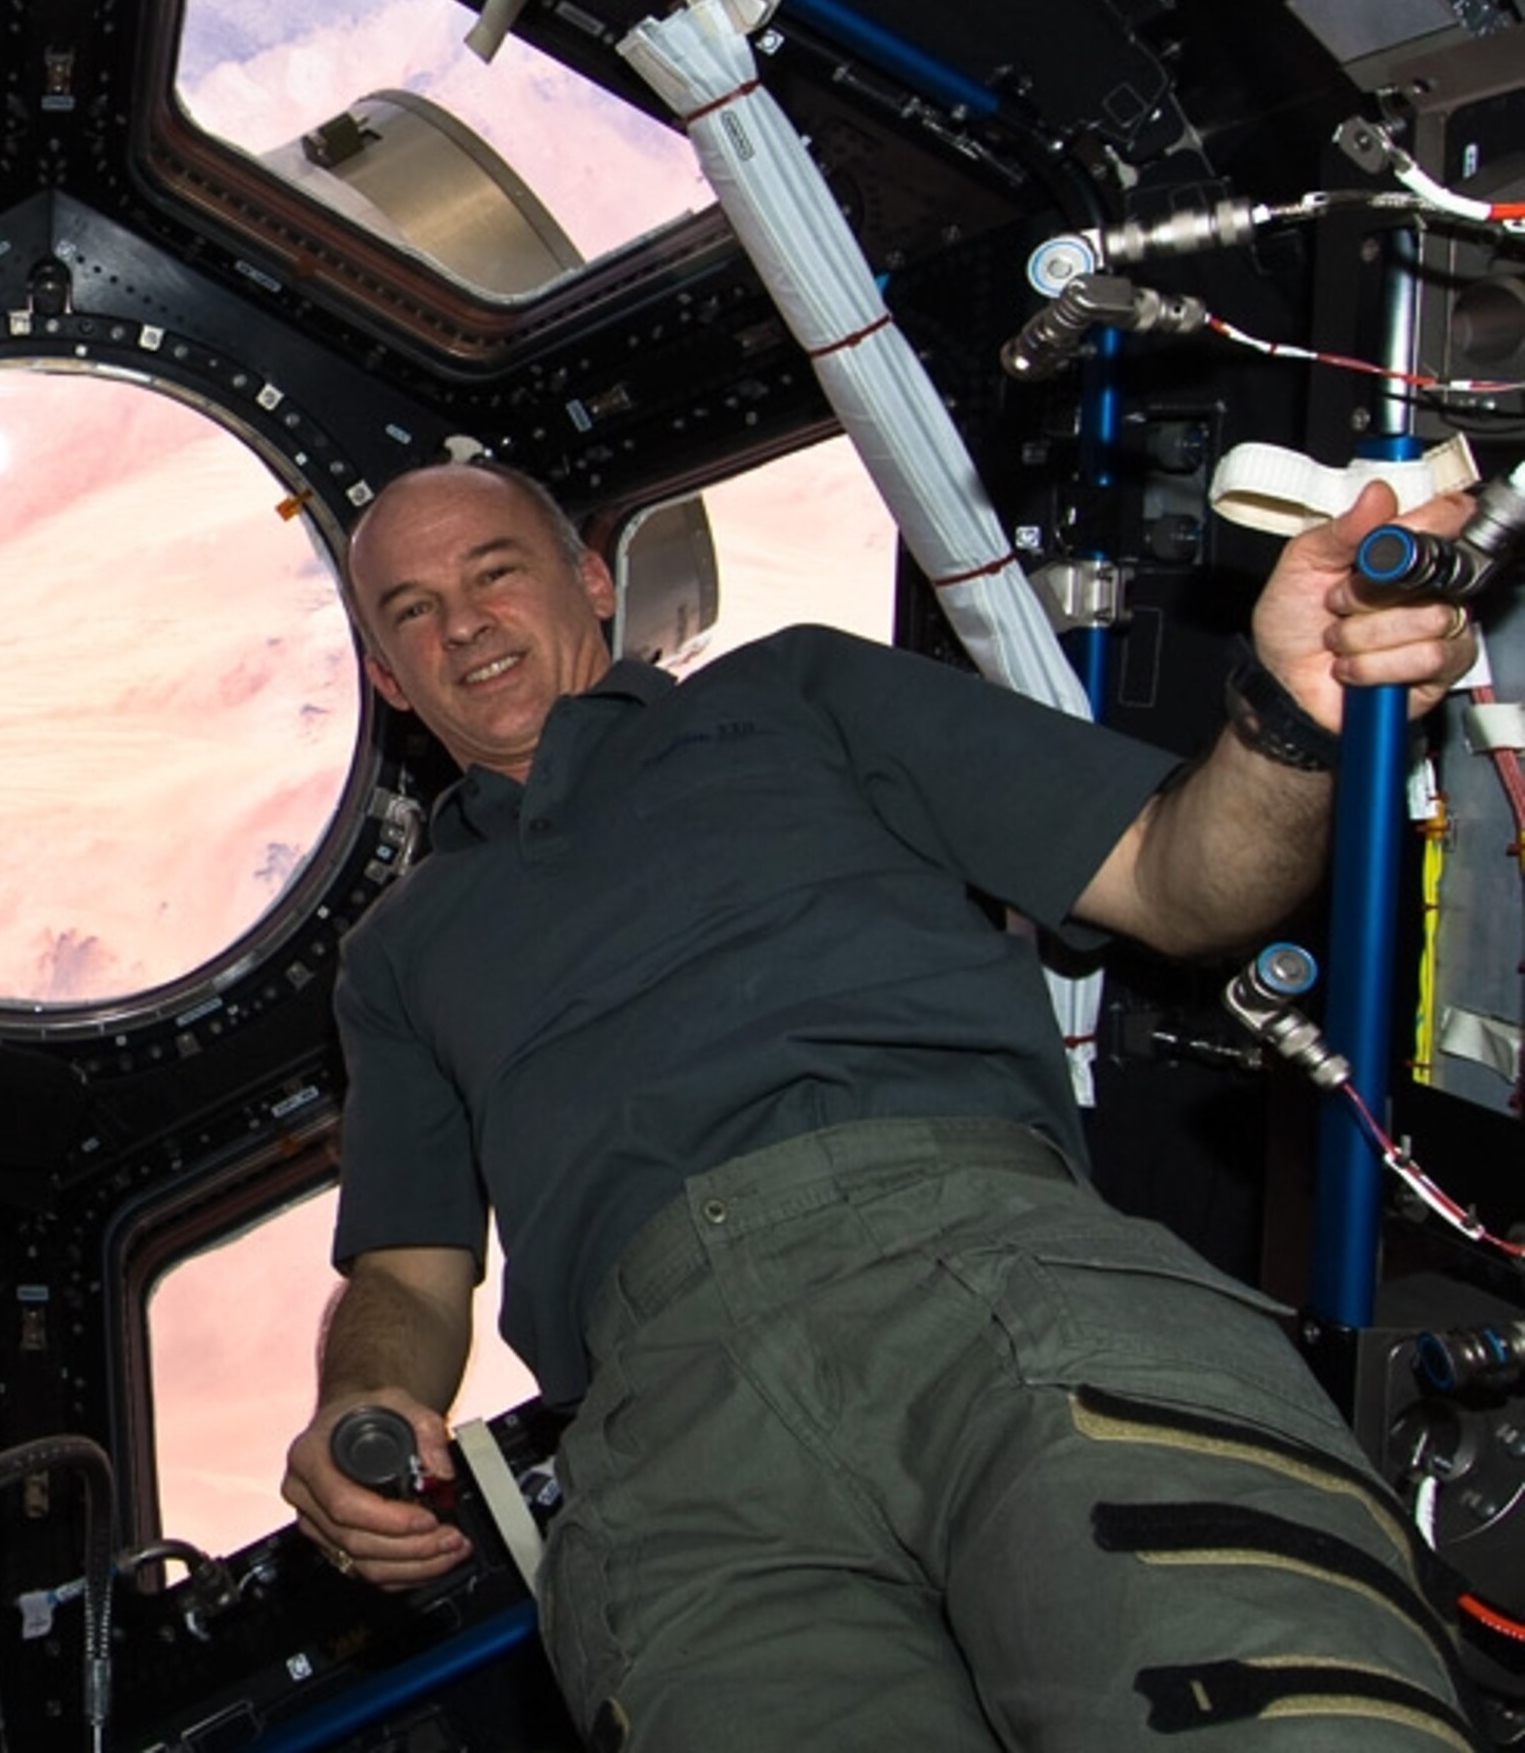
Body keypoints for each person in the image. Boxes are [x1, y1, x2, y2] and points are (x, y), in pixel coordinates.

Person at [281, 459, 1486, 1750]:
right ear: (392, 682)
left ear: (589, 579)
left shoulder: (797, 695)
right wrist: (363, 1404)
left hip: (985, 1283)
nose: (460, 623)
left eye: (493, 572)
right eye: (409, 611)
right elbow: (408, 1274)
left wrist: (1295, 723)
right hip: (673, 1451)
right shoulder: (398, 954)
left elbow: (1178, 880)